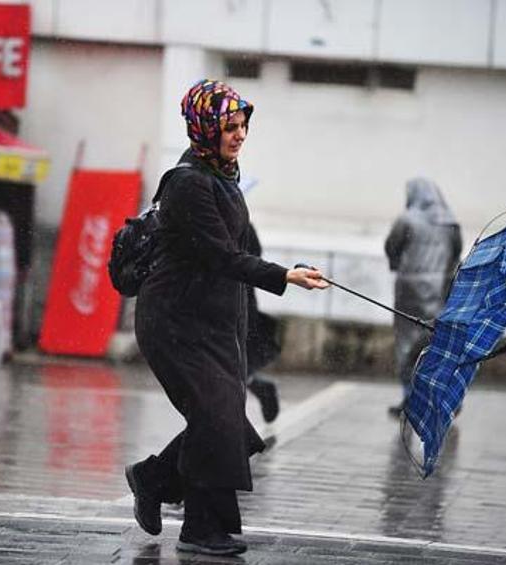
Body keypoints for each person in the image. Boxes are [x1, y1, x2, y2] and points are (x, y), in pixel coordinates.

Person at [126, 79, 329, 556]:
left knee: (224, 423)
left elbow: (230, 255)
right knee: (216, 418)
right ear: (204, 129)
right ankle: (197, 528)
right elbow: (221, 255)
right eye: (229, 127)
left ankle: (154, 480)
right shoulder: (189, 183)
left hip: (211, 320)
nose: (239, 135)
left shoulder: (221, 175)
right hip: (174, 322)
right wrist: (285, 276)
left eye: (242, 126)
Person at [384, 178, 462, 417]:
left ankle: (410, 398)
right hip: (439, 290)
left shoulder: (407, 219)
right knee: (437, 345)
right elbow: (456, 254)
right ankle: (447, 396)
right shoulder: (451, 224)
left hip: (408, 290)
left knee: (407, 345)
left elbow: (391, 246)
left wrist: (397, 265)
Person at [244, 222, 281, 423]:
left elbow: (251, 261)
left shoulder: (237, 219)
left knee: (225, 371)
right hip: (212, 303)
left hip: (234, 304)